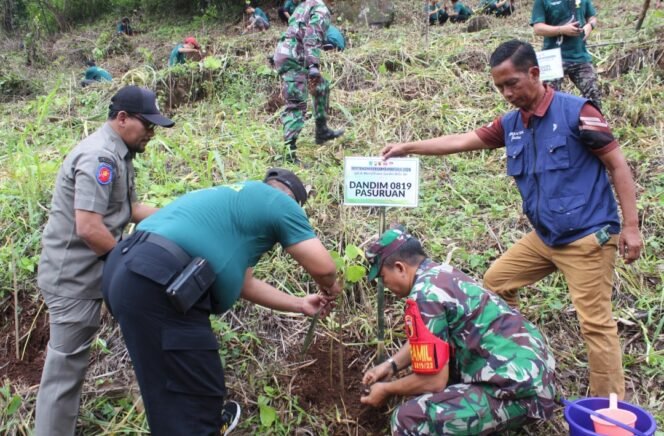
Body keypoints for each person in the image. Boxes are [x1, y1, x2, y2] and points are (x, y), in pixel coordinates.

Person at [381, 40, 643, 399]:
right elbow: (462, 140)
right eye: (499, 86)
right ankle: (517, 355)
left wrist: (630, 226)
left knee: (595, 325)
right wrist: (408, 147)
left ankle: (607, 410)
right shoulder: (512, 124)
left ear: (534, 73)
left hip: (587, 237)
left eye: (512, 83)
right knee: (497, 280)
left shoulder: (577, 112)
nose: (506, 93)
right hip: (546, 237)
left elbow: (618, 164)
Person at [101, 168, 342, 435]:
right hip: (159, 282)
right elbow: (324, 267)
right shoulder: (280, 203)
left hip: (127, 270)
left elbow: (245, 284)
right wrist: (330, 286)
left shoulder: (233, 202)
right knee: (198, 398)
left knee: (170, 394)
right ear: (292, 200)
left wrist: (299, 303)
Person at [34, 86, 174, 436]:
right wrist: (124, 267)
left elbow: (127, 210)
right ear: (122, 118)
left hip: (88, 274)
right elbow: (89, 227)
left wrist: (182, 215)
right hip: (74, 280)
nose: (151, 134)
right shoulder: (101, 157)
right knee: (63, 374)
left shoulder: (118, 153)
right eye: (148, 125)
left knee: (70, 368)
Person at [360, 227, 555, 434]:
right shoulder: (442, 275)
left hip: (521, 393)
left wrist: (387, 389)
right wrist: (391, 366)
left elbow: (433, 382)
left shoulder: (425, 296)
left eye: (383, 276)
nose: (385, 284)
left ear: (400, 268)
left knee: (407, 419)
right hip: (532, 377)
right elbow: (430, 337)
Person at [273, 0, 344, 163]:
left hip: (291, 54)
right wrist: (313, 64)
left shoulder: (305, 5)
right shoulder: (320, 8)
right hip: (295, 58)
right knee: (296, 105)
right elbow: (312, 35)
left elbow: (296, 29)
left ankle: (322, 130)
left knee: (322, 86)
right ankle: (289, 154)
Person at [531, 0, 601, 108]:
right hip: (552, 56)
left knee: (594, 95)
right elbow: (538, 28)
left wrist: (590, 26)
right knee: (547, 100)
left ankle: (594, 123)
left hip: (580, 55)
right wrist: (562, 30)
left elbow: (592, 17)